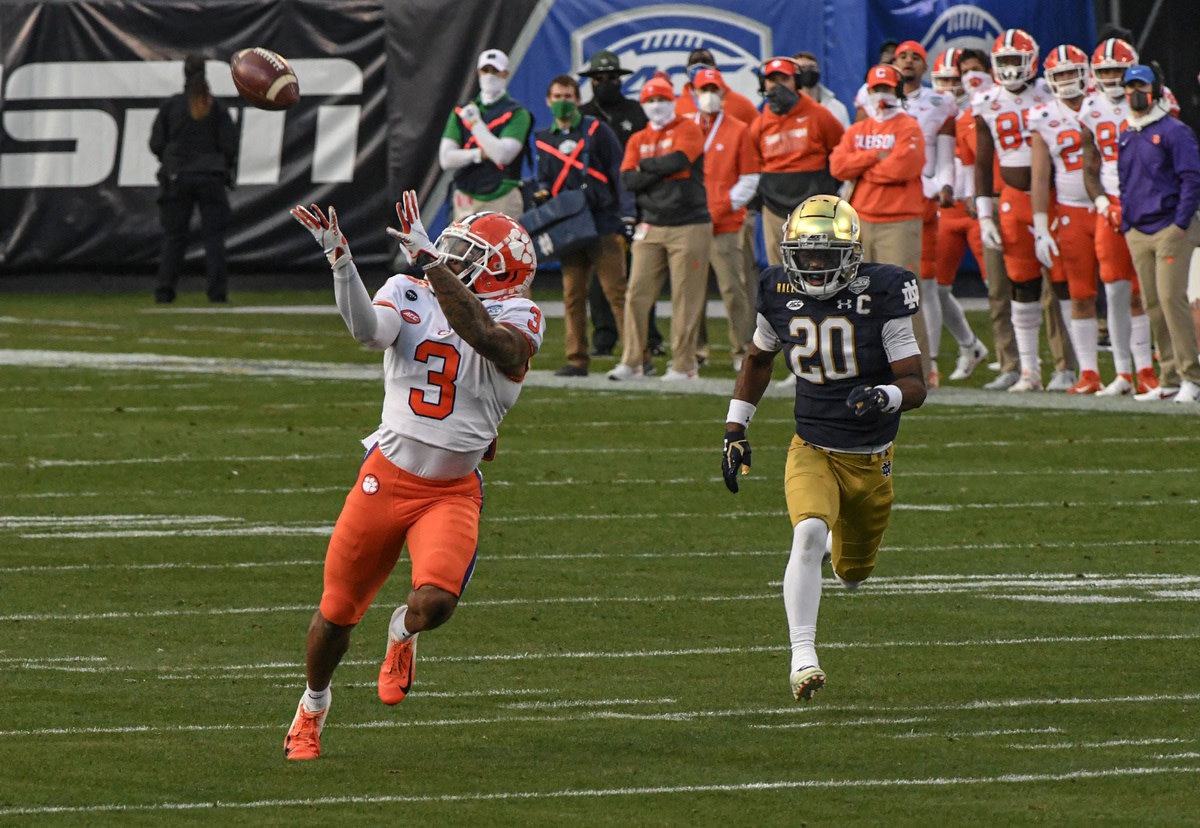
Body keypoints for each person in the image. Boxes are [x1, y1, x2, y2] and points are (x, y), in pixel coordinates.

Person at [283, 191, 543, 760]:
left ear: (500, 271)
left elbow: (487, 339)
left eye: (467, 253)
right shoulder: (407, 290)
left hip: (450, 491)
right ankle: (312, 706)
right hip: (387, 476)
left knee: (437, 605)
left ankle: (402, 631)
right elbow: (365, 332)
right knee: (335, 615)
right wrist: (341, 263)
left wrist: (434, 266)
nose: (448, 255)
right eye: (451, 248)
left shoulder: (520, 316)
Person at [720, 194, 925, 701]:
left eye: (822, 255)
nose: (811, 265)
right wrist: (734, 427)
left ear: (850, 253)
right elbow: (759, 358)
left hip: (871, 457)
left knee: (853, 575)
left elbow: (915, 383)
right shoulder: (776, 289)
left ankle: (842, 550)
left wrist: (885, 395)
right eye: (803, 255)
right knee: (807, 533)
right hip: (810, 443)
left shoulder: (885, 290)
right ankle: (802, 657)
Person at [974, 29, 1077, 392]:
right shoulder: (985, 99)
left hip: (1051, 196)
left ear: (1031, 61)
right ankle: (1030, 371)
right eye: (1003, 61)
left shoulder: (1049, 93)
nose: (1010, 68)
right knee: (1022, 284)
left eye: (1016, 60)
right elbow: (982, 162)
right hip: (1011, 200)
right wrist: (984, 212)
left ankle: (1070, 367)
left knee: (1063, 282)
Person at [829, 64, 930, 382]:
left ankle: (918, 371)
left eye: (887, 89)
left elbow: (903, 168)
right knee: (859, 298)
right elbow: (837, 166)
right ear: (868, 93)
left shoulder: (908, 126)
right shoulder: (858, 130)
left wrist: (860, 166)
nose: (881, 95)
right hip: (860, 222)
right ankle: (869, 367)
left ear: (897, 92)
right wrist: (874, 158)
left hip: (898, 222)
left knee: (903, 297)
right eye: (876, 89)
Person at [608, 77, 712, 381]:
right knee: (636, 294)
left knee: (686, 297)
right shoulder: (638, 138)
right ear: (643, 104)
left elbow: (680, 160)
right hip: (651, 224)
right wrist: (661, 168)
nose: (656, 105)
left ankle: (684, 364)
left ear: (672, 100)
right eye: (650, 100)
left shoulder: (688, 128)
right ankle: (632, 361)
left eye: (661, 99)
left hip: (689, 224)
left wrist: (647, 167)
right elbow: (627, 178)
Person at [1030, 44, 1113, 395]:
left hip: (1111, 205)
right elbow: (1039, 173)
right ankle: (1088, 373)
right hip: (1071, 208)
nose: (1066, 80)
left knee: (1130, 291)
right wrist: (1039, 222)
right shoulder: (1042, 116)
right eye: (1059, 74)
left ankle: (1139, 368)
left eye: (1070, 72)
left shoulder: (1105, 104)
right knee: (1080, 293)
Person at [532, 75, 628, 376]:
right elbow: (543, 177)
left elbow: (618, 170)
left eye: (569, 96)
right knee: (572, 295)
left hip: (602, 222)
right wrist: (543, 193)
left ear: (577, 99)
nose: (563, 101)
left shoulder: (597, 130)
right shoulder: (543, 138)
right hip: (569, 227)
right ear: (548, 101)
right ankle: (576, 358)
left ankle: (635, 357)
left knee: (617, 292)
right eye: (557, 96)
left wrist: (625, 213)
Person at [1082, 39, 1161, 397]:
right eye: (1106, 71)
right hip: (1111, 204)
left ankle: (1147, 368)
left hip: (1147, 203)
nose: (1112, 78)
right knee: (1114, 289)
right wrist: (1101, 203)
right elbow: (1089, 166)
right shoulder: (1090, 108)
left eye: (1118, 70)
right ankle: (1123, 372)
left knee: (1143, 290)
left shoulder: (1158, 101)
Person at [1118, 64, 1200, 403]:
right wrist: (1127, 223)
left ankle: (1191, 376)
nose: (1134, 91)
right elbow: (1125, 181)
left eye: (1141, 85)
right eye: (1130, 85)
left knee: (1171, 300)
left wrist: (1180, 223)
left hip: (1170, 227)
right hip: (1139, 229)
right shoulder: (1127, 132)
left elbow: (1191, 178)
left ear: (1155, 90)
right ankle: (1167, 375)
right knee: (1152, 304)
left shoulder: (1173, 131)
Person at [578, 49, 663, 359]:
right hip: (598, 206)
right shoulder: (583, 114)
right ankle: (604, 337)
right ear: (590, 81)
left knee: (642, 274)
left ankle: (650, 335)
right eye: (599, 79)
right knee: (601, 277)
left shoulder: (635, 112)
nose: (605, 83)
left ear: (621, 79)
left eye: (611, 78)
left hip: (635, 200)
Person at [888, 41, 960, 387]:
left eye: (916, 57)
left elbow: (944, 155)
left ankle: (927, 362)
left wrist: (942, 186)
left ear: (924, 65)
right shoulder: (872, 98)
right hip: (883, 199)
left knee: (924, 284)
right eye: (903, 56)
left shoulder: (938, 102)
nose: (909, 62)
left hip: (922, 197)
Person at [688, 66, 761, 370]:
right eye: (703, 90)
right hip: (691, 221)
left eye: (713, 90)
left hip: (726, 222)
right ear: (693, 92)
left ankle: (741, 349)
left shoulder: (738, 129)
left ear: (722, 92)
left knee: (733, 288)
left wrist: (724, 205)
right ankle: (695, 351)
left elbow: (750, 176)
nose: (708, 96)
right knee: (691, 289)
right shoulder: (685, 127)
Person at [149, 54, 238, 304]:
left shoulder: (172, 106)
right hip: (211, 177)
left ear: (184, 73)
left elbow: (157, 143)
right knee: (214, 237)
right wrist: (221, 166)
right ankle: (217, 292)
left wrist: (171, 162)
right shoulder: (216, 107)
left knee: (174, 237)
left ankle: (165, 291)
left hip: (178, 177)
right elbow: (229, 146)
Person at [928, 47, 990, 383]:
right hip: (944, 209)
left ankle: (1021, 361)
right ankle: (971, 345)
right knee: (936, 288)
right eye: (943, 80)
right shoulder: (928, 110)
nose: (950, 86)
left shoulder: (977, 108)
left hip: (975, 205)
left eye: (955, 79)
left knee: (996, 285)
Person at [749, 56, 845, 266]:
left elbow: (841, 152)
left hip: (814, 205)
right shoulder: (759, 123)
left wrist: (828, 189)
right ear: (763, 84)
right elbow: (753, 163)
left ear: (796, 82)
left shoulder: (819, 115)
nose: (777, 86)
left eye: (784, 79)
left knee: (816, 264)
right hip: (774, 206)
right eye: (772, 80)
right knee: (779, 267)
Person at [439, 49, 533, 220]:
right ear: (478, 72)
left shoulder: (517, 113)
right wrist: (480, 154)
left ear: (505, 74)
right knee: (457, 247)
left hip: (502, 196)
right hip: (465, 195)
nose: (490, 76)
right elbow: (446, 159)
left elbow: (502, 155)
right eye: (485, 70)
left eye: (495, 71)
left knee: (502, 246)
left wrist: (475, 124)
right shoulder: (461, 111)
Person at [675, 47, 761, 124]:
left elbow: (759, 134)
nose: (700, 66)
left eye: (705, 62)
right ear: (686, 70)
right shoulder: (677, 107)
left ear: (716, 69)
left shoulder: (741, 104)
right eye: (694, 62)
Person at [792, 51, 850, 127]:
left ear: (818, 70)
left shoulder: (836, 108)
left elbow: (845, 136)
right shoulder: (786, 109)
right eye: (802, 68)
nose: (808, 71)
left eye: (812, 67)